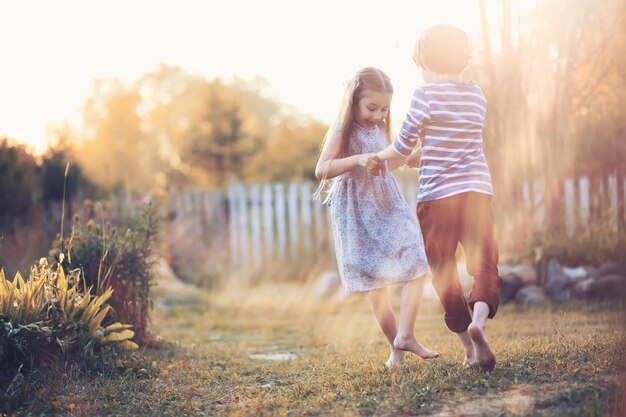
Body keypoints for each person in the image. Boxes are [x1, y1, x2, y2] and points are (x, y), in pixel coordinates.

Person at [367, 25, 503, 372]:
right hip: (475, 191)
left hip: (437, 198)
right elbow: (455, 143)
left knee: (444, 271)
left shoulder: (425, 94)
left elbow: (401, 145)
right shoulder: (476, 94)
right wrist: (422, 154)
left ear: (426, 60)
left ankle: (469, 350)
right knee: (484, 263)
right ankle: (480, 324)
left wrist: (380, 159)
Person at [314, 67, 438, 368]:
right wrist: (357, 159)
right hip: (357, 210)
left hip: (387, 204)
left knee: (418, 260)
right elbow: (322, 169)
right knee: (376, 288)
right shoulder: (342, 127)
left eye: (384, 109)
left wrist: (408, 158)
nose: (379, 115)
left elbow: (383, 164)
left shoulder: (380, 128)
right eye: (372, 107)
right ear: (354, 100)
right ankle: (395, 349)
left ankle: (406, 336)